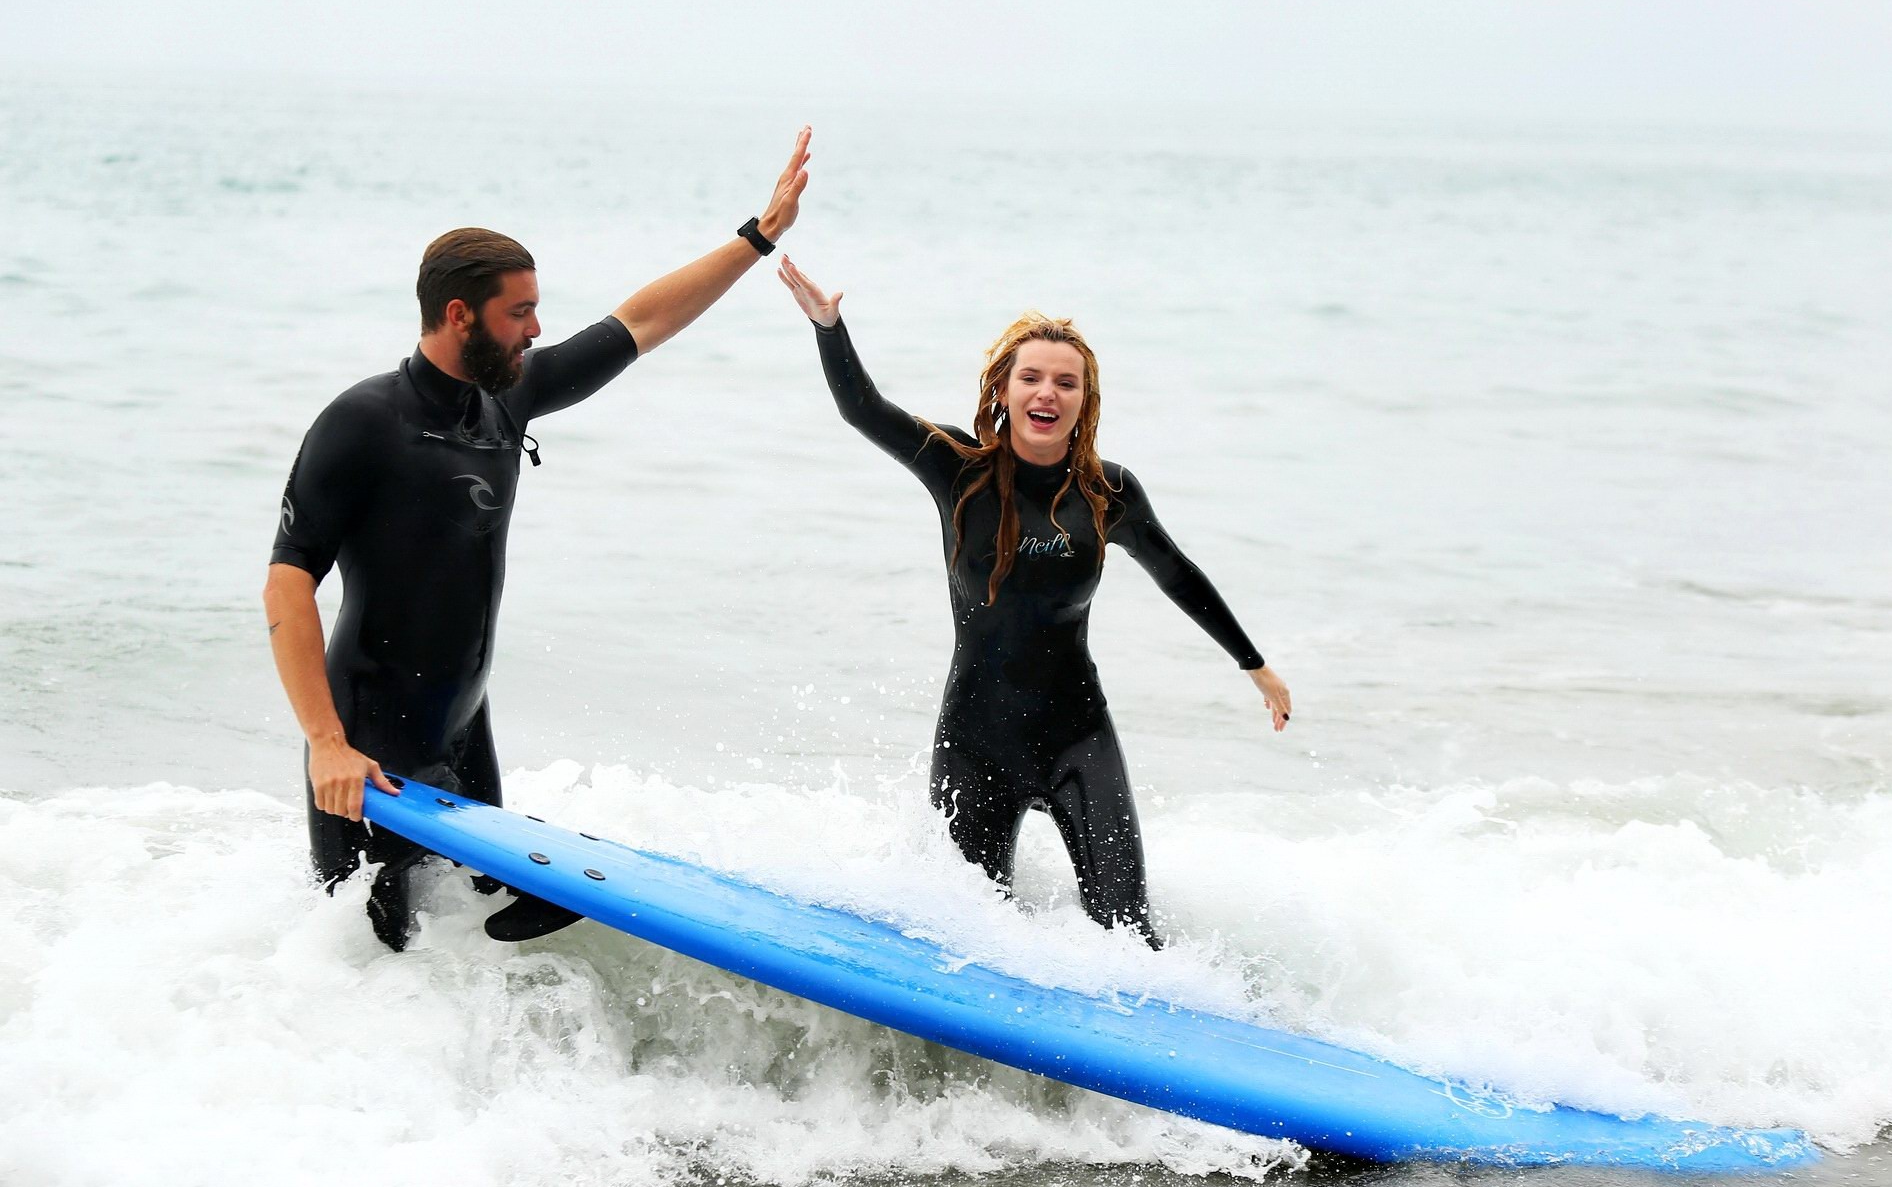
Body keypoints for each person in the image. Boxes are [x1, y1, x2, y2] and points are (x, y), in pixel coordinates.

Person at [264, 129, 813, 950]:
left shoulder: (506, 398)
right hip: (367, 747)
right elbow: (286, 582)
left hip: (459, 722)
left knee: (472, 947)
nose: (534, 328)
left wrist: (758, 237)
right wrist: (325, 745)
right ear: (460, 315)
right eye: (518, 312)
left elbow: (640, 320)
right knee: (361, 957)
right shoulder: (363, 422)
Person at [777, 256, 1290, 948]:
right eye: (1031, 377)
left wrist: (1252, 665)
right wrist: (828, 327)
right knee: (960, 938)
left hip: (1078, 737)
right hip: (975, 741)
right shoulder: (954, 468)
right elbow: (861, 408)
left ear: (1085, 399)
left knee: (1130, 936)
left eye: (1064, 381)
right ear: (1005, 388)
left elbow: (1177, 572)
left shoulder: (1109, 493)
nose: (1046, 391)